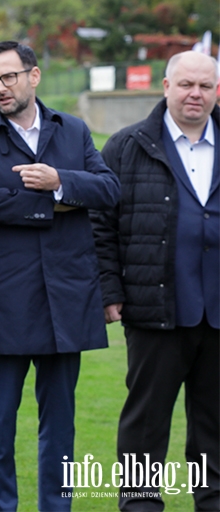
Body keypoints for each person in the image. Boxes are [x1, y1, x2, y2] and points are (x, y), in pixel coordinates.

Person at [0, 41, 120, 511]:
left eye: (8, 77)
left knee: (61, 424)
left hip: (67, 297)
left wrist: (60, 180)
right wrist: (56, 202)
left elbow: (108, 188)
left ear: (34, 76)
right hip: (5, 300)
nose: (0, 87)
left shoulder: (74, 130)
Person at [90, 50, 219, 511]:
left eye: (205, 86)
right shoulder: (126, 146)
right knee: (146, 425)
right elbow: (99, 225)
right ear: (165, 87)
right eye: (186, 84)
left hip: (218, 313)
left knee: (215, 426)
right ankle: (141, 505)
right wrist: (110, 290)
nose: (195, 94)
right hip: (153, 309)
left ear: (217, 91)